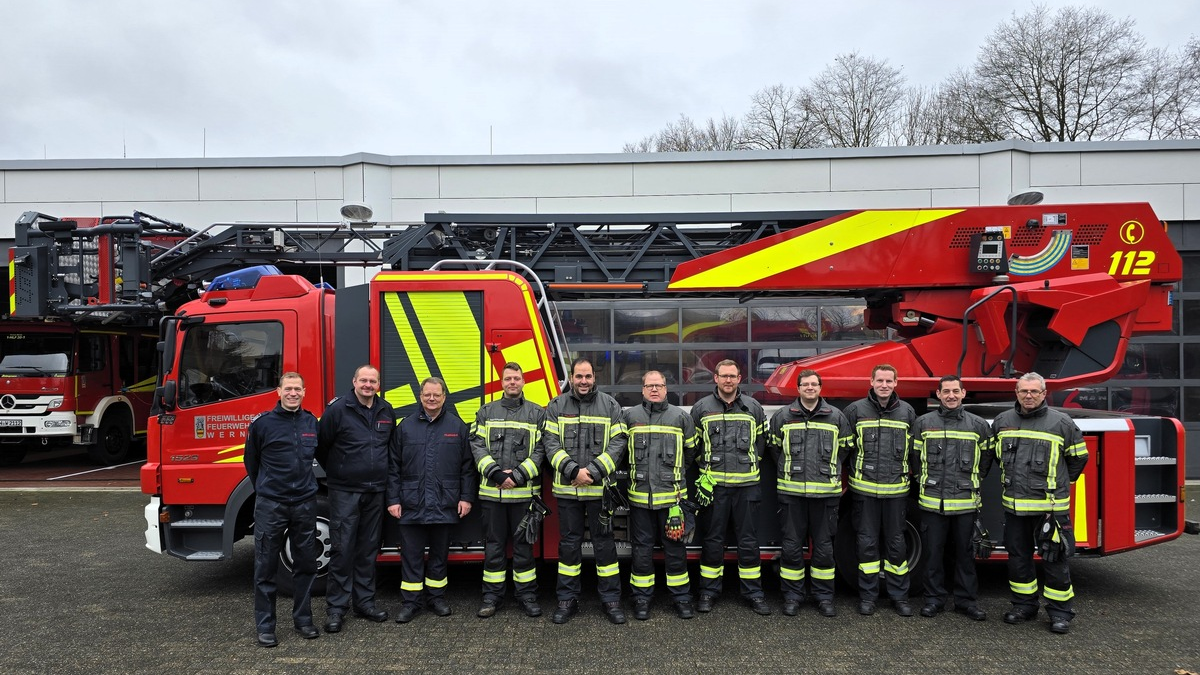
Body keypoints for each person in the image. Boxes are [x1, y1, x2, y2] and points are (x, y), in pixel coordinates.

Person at [992, 372, 1088, 634]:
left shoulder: (1061, 423)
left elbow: (1078, 458)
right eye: (1024, 391)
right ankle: (1024, 605)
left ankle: (1060, 612)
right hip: (1015, 507)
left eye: (1034, 391)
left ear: (1044, 393)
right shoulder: (1002, 421)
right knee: (1018, 558)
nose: (1029, 396)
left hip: (1050, 509)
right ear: (1016, 392)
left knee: (1054, 559)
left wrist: (1057, 483)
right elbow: (999, 459)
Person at [544, 357, 628, 624]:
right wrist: (573, 471)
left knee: (605, 546)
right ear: (571, 377)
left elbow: (619, 443)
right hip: (568, 492)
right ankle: (567, 600)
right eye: (578, 376)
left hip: (599, 491)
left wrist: (591, 472)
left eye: (587, 376)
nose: (583, 381)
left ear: (595, 377)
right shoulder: (556, 406)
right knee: (569, 546)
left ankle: (611, 601)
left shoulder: (610, 405)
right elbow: (550, 444)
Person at [386, 377, 475, 624]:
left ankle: (436, 598)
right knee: (411, 557)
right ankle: (411, 603)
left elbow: (467, 467)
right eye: (427, 395)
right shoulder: (405, 427)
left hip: (445, 503)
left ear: (444, 397)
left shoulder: (457, 427)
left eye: (436, 395)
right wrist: (393, 499)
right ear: (420, 396)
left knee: (439, 555)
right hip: (411, 503)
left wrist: (466, 497)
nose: (432, 399)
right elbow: (393, 467)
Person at [315, 364, 396, 633]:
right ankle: (336, 609)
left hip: (376, 491)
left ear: (378, 384)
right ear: (354, 381)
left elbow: (390, 450)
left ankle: (365, 603)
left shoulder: (386, 410)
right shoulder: (337, 410)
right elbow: (321, 446)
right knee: (342, 549)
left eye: (372, 381)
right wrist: (339, 474)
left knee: (368, 550)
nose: (368, 385)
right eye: (363, 380)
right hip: (345, 492)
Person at [767, 368, 852, 618]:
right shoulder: (783, 416)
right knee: (792, 548)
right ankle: (793, 596)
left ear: (820, 387)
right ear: (799, 388)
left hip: (826, 495)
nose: (810, 388)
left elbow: (845, 449)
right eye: (805, 384)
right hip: (791, 494)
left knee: (824, 549)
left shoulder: (836, 417)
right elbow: (774, 448)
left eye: (814, 384)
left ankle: (824, 597)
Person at [244, 372, 321, 648]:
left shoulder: (311, 422)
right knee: (265, 566)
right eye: (288, 388)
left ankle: (303, 620)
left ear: (304, 391)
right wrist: (267, 489)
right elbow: (251, 463)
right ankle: (266, 626)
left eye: (297, 389)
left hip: (304, 503)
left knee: (306, 565)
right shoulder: (262, 425)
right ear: (278, 391)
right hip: (271, 504)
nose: (293, 393)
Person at [690, 359, 770, 615]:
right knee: (712, 541)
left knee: (748, 542)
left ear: (739, 378)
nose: (728, 380)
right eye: (723, 376)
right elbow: (694, 445)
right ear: (715, 378)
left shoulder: (753, 408)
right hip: (713, 489)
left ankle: (754, 593)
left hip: (747, 487)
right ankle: (708, 592)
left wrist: (749, 465)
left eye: (732, 376)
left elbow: (761, 444)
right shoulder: (701, 408)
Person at [470, 362, 548, 619]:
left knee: (524, 547)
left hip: (524, 495)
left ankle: (527, 596)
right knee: (493, 546)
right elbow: (477, 446)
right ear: (501, 382)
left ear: (523, 382)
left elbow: (541, 451)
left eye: (516, 378)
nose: (512, 382)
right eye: (508, 379)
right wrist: (494, 474)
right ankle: (492, 596)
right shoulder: (485, 412)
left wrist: (517, 476)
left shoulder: (537, 413)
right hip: (493, 495)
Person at [911, 375, 993, 621]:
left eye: (955, 391)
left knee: (965, 554)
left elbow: (987, 459)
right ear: (938, 394)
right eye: (946, 391)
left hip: (966, 503)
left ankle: (966, 601)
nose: (951, 396)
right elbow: (914, 458)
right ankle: (934, 600)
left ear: (963, 393)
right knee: (933, 554)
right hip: (932, 503)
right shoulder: (923, 423)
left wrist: (971, 481)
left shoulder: (978, 425)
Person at [623, 370, 698, 620]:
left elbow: (690, 454)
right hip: (640, 500)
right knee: (641, 551)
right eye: (649, 385)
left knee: (675, 551)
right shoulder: (630, 416)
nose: (654, 389)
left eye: (659, 385)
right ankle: (642, 598)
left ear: (666, 389)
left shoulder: (680, 417)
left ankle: (681, 598)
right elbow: (621, 452)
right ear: (642, 390)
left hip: (672, 500)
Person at [843, 363, 917, 616]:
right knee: (866, 544)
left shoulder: (907, 412)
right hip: (863, 492)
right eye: (880, 381)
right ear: (871, 382)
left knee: (897, 544)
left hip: (896, 492)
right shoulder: (855, 410)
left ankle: (899, 597)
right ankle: (868, 596)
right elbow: (844, 447)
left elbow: (915, 450)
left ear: (896, 383)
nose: (884, 385)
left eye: (889, 381)